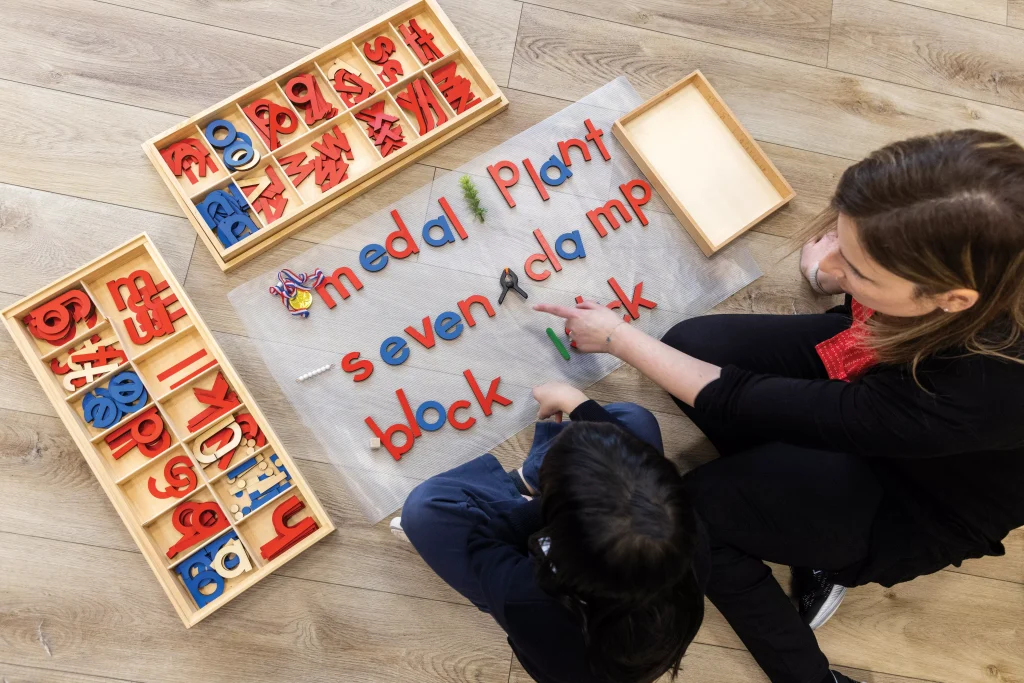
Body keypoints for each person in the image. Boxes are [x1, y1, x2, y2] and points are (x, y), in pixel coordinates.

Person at [535, 129, 1024, 683]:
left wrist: (618, 338)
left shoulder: (978, 390)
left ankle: (814, 673)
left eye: (860, 271)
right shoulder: (985, 243)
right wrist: (840, 280)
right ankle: (785, 496)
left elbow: (746, 397)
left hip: (917, 495)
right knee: (693, 348)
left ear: (951, 298)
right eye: (840, 238)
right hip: (884, 371)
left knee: (697, 512)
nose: (833, 262)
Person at [398, 383, 708, 683]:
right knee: (634, 419)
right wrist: (574, 401)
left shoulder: (529, 600)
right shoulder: (687, 532)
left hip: (540, 603)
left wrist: (540, 505)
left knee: (423, 509)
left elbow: (484, 544)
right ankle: (544, 479)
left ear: (555, 529)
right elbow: (638, 463)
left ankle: (527, 484)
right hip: (585, 562)